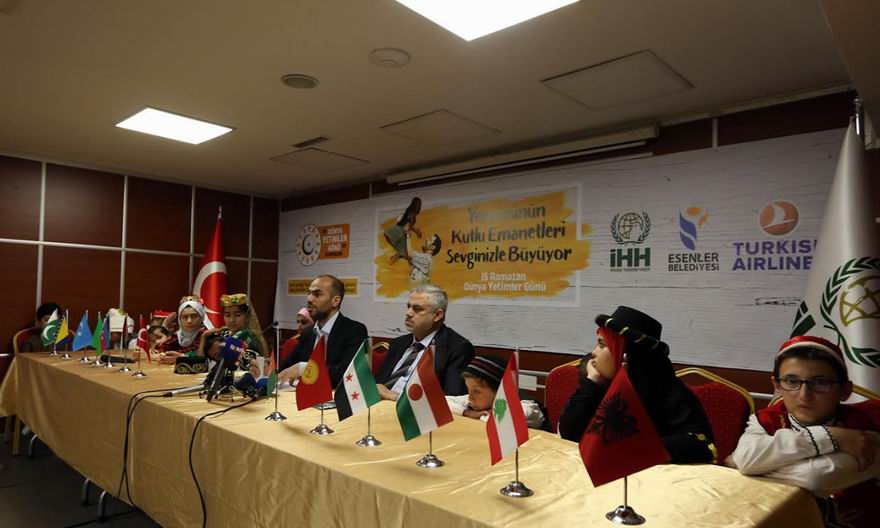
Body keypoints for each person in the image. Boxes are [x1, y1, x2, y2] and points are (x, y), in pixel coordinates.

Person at [728, 336, 880, 527]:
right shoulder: (765, 420)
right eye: (791, 381)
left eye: (820, 383)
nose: (804, 395)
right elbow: (748, 460)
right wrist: (832, 436)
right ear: (777, 386)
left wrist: (754, 465)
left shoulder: (863, 434)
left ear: (844, 390)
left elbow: (815, 478)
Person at [559, 305, 715, 464]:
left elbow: (703, 446)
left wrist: (631, 447)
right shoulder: (600, 384)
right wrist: (592, 381)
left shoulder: (669, 391)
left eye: (602, 345)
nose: (593, 352)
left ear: (625, 355)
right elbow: (569, 433)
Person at [375, 285, 474, 399]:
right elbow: (379, 382)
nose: (408, 313)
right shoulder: (399, 343)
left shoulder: (457, 348)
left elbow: (452, 398)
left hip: (412, 409)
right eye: (408, 306)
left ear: (437, 315)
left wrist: (396, 397)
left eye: (417, 309)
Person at [278, 275, 368, 387]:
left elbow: (347, 374)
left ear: (335, 301)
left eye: (317, 294)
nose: (309, 299)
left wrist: (305, 369)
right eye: (309, 293)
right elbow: (287, 364)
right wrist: (267, 367)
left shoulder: (354, 330)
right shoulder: (308, 332)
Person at [446, 355, 545, 429]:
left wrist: (480, 416)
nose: (470, 397)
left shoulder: (528, 408)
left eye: (477, 391)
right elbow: (442, 403)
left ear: (499, 391)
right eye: (468, 389)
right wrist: (467, 412)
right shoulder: (480, 401)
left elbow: (498, 419)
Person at [201, 293, 270, 372]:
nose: (232, 320)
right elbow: (201, 364)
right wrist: (203, 337)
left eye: (237, 315)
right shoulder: (224, 332)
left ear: (247, 316)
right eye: (227, 315)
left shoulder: (249, 336)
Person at [157, 296, 207, 364]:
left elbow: (199, 354)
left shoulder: (207, 335)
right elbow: (163, 350)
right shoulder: (180, 335)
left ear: (202, 317)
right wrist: (165, 331)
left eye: (194, 316)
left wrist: (182, 358)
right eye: (185, 317)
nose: (189, 321)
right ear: (179, 320)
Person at [383, 197, 422, 265]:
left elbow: (408, 224)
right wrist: (417, 232)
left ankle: (396, 257)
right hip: (401, 231)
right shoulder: (412, 212)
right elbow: (410, 225)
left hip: (401, 230)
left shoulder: (410, 211)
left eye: (419, 205)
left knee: (404, 251)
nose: (418, 207)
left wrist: (415, 231)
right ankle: (399, 257)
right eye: (418, 205)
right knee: (405, 251)